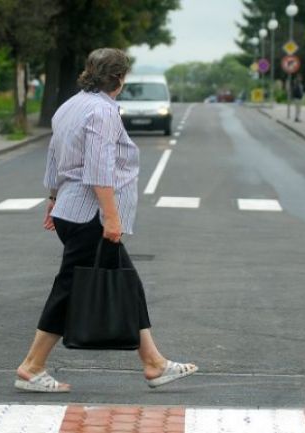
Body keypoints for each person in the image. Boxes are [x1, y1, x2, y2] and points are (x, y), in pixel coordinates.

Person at [15, 48, 198, 393]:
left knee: (126, 282)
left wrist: (53, 199)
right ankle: (32, 366)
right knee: (70, 288)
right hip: (91, 215)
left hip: (71, 210)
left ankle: (154, 363)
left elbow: (54, 156)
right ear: (119, 78)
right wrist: (111, 218)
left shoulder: (71, 106)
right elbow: (99, 168)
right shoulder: (102, 112)